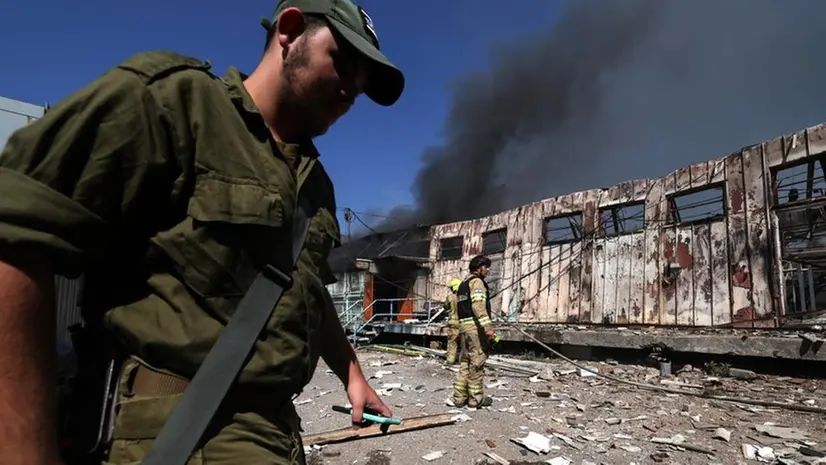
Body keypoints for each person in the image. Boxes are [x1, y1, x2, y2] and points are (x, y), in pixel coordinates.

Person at [0, 0, 404, 463]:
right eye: (345, 61)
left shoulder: (315, 184)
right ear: (290, 30)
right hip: (177, 431)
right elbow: (16, 235)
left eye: (364, 83)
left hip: (275, 431)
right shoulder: (176, 105)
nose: (353, 89)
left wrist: (353, 373)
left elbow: (306, 291)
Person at [451, 255, 495, 409]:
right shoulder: (476, 282)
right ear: (478, 267)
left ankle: (459, 398)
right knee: (477, 362)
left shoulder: (463, 284)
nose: (488, 270)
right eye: (486, 267)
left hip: (464, 328)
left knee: (465, 362)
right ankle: (475, 400)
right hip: (475, 329)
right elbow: (478, 306)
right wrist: (488, 328)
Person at [444, 279, 462, 365]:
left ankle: (450, 360)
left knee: (452, 342)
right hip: (463, 323)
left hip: (453, 323)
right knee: (464, 343)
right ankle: (463, 361)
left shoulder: (450, 297)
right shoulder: (464, 296)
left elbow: (446, 307)